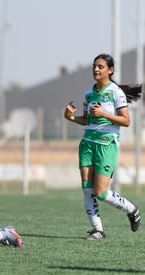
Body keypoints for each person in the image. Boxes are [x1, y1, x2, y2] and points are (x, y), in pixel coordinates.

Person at [64, 53, 142, 240]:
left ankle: (131, 209)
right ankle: (98, 229)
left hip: (106, 145)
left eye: (100, 66)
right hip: (88, 143)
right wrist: (70, 117)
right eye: (94, 66)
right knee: (86, 187)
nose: (96, 69)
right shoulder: (89, 93)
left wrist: (104, 113)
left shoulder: (115, 91)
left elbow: (126, 121)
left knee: (101, 192)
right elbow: (88, 120)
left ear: (110, 70)